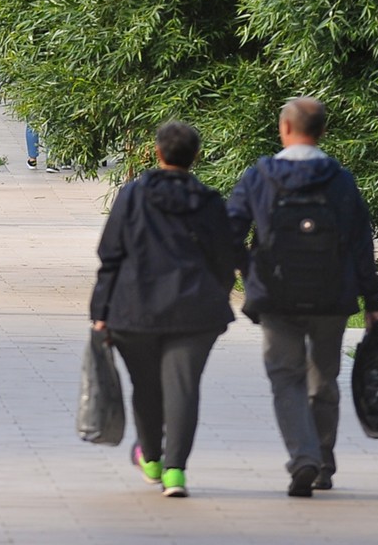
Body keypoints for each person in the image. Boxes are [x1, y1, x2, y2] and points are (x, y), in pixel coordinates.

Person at [227, 96, 378, 497]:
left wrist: (250, 269)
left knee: (286, 378)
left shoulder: (259, 176)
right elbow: (360, 244)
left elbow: (228, 233)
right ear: (323, 132)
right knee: (323, 378)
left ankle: (303, 457)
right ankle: (323, 464)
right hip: (332, 295)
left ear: (284, 128)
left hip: (277, 295)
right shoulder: (341, 179)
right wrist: (373, 302)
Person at [90, 120, 238, 499]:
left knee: (146, 387)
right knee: (184, 389)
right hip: (195, 311)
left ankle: (151, 458)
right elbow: (226, 257)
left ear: (157, 153)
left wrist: (100, 311)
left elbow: (111, 255)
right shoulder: (208, 201)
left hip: (133, 309)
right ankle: (175, 472)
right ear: (196, 156)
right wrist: (218, 297)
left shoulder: (132, 196)